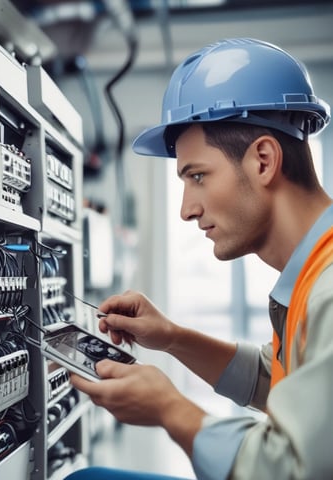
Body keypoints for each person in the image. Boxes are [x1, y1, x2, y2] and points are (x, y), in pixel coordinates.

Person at [65, 38, 333, 480]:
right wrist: (172, 337)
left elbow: (288, 469)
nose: (187, 209)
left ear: (263, 160)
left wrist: (171, 409)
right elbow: (281, 381)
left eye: (199, 176)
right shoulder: (312, 272)